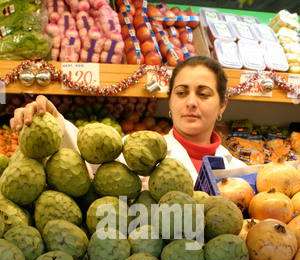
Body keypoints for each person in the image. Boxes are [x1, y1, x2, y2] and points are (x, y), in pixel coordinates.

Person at [10, 56, 246, 184]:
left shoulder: (241, 172)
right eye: (181, 93)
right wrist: (55, 123)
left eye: (203, 94)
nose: (191, 102)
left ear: (222, 105)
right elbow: (87, 167)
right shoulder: (133, 149)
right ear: (171, 103)